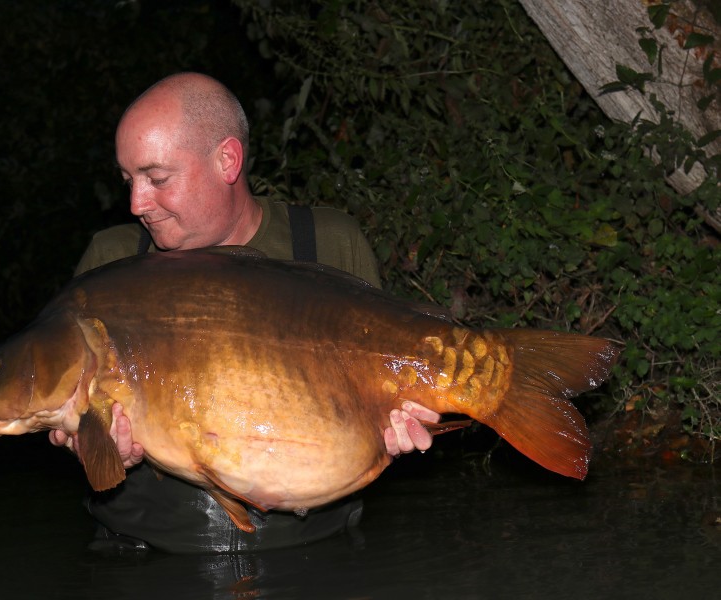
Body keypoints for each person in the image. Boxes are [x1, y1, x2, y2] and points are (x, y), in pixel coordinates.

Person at [50, 72, 443, 553]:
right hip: (145, 563)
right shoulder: (110, 264)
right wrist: (90, 443)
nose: (137, 203)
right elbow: (66, 410)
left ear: (227, 160)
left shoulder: (328, 243)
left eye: (157, 178)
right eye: (128, 180)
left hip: (319, 559)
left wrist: (401, 423)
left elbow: (387, 386)